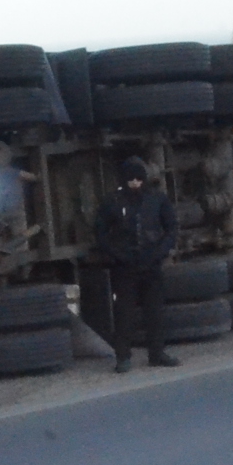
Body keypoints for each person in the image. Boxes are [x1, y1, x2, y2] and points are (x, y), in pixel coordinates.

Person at [94, 155, 180, 373]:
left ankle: (157, 353)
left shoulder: (157, 199)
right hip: (125, 266)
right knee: (124, 314)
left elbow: (171, 228)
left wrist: (160, 252)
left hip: (151, 263)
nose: (134, 183)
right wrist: (117, 254)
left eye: (138, 179)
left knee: (155, 312)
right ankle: (123, 357)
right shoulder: (113, 201)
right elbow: (100, 232)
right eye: (130, 179)